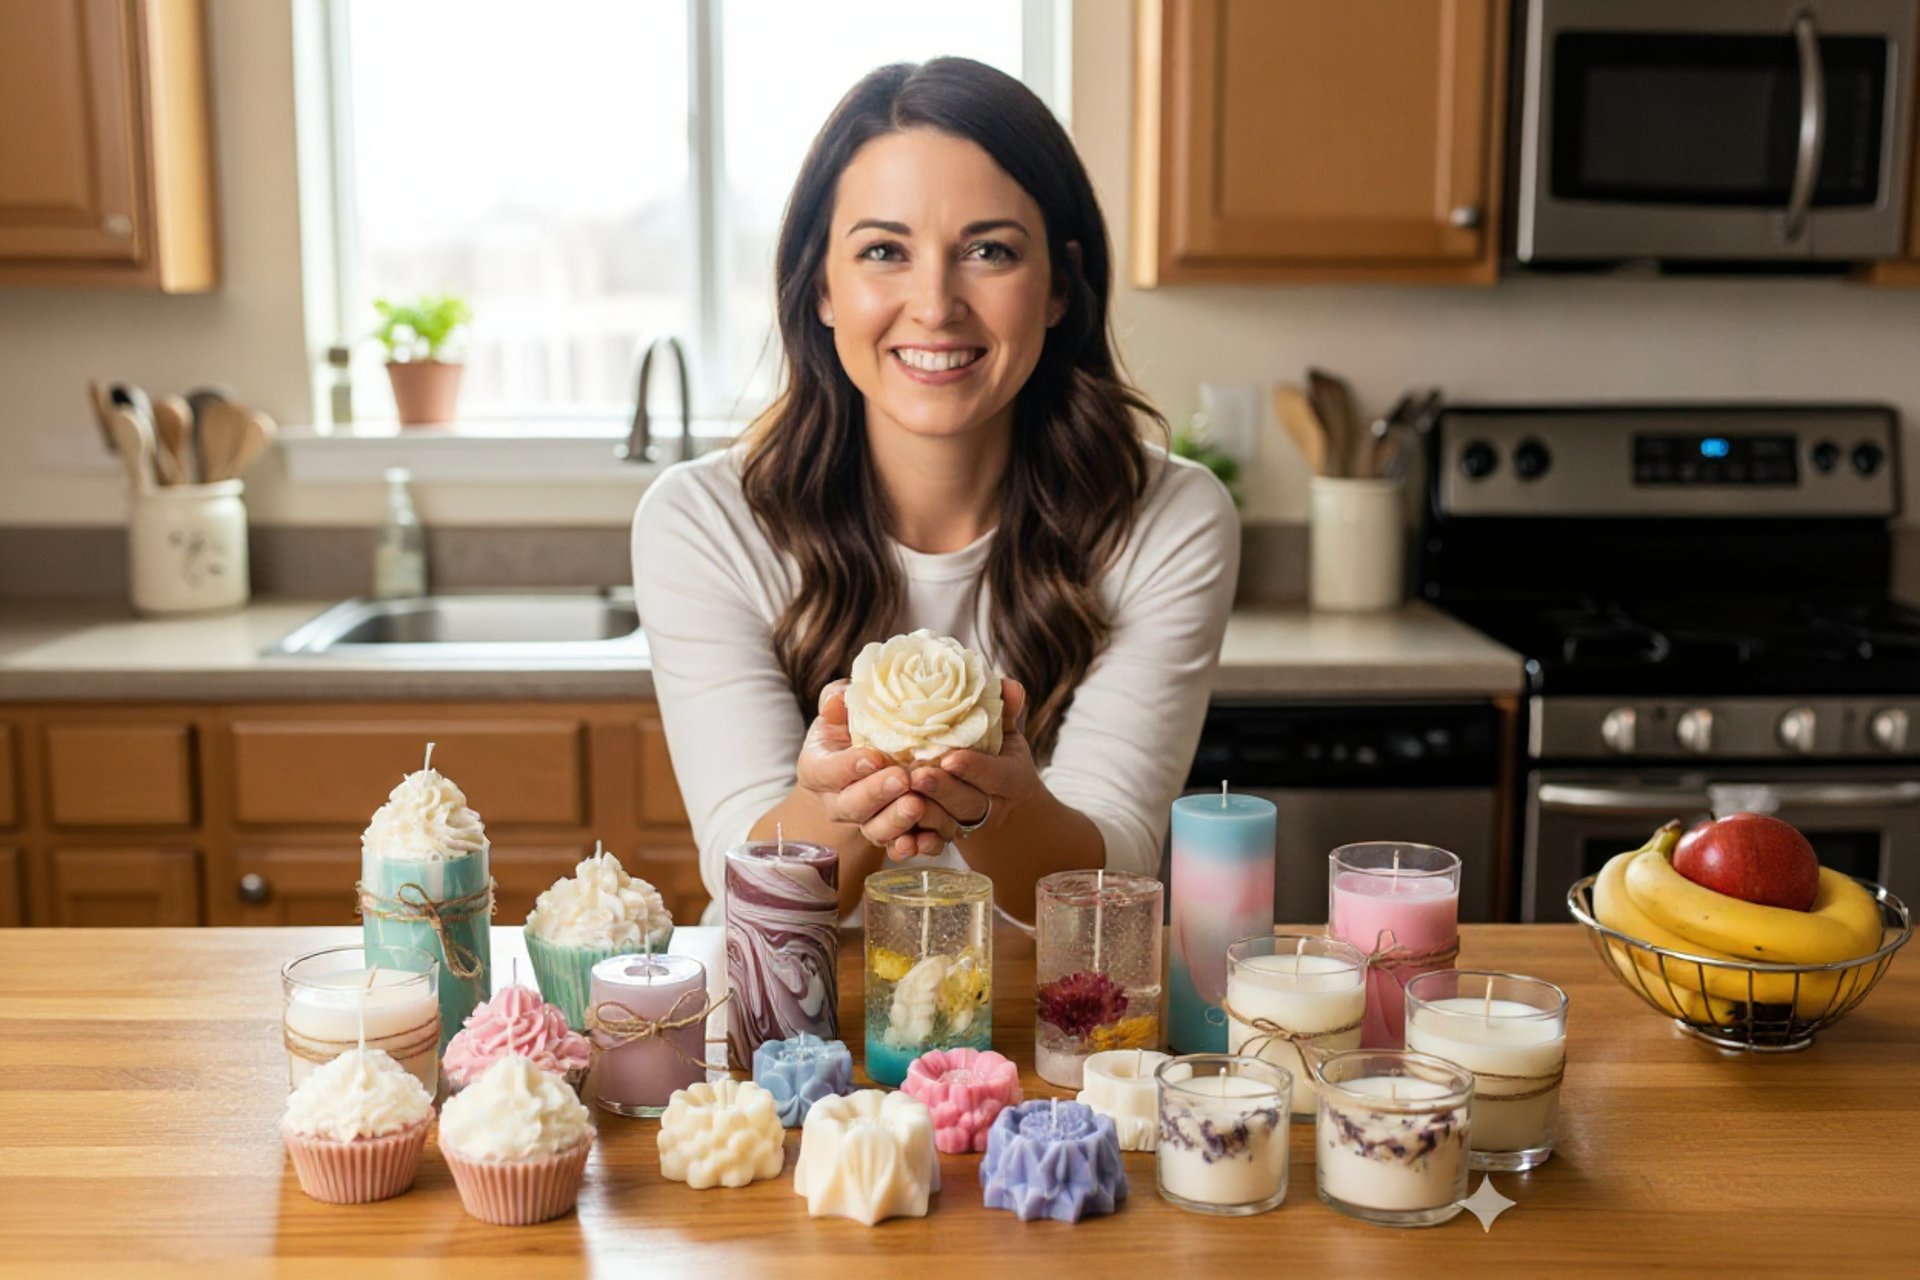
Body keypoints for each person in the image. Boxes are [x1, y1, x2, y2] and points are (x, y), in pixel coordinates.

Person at [633, 57, 1238, 925]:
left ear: (1060, 286)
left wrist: (999, 804)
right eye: (884, 251)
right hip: (801, 995)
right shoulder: (701, 522)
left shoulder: (1169, 519)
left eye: (989, 251)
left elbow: (1116, 861)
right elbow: (745, 879)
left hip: (1046, 997)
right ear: (821, 287)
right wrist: (844, 801)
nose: (935, 304)